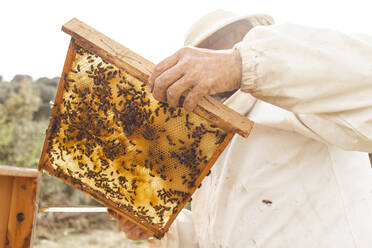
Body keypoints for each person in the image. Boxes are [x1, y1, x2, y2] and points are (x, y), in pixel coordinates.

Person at [110, 10, 372, 247]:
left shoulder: (305, 95)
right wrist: (159, 230)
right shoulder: (206, 143)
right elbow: (216, 234)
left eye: (217, 49)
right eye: (205, 52)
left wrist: (242, 65)